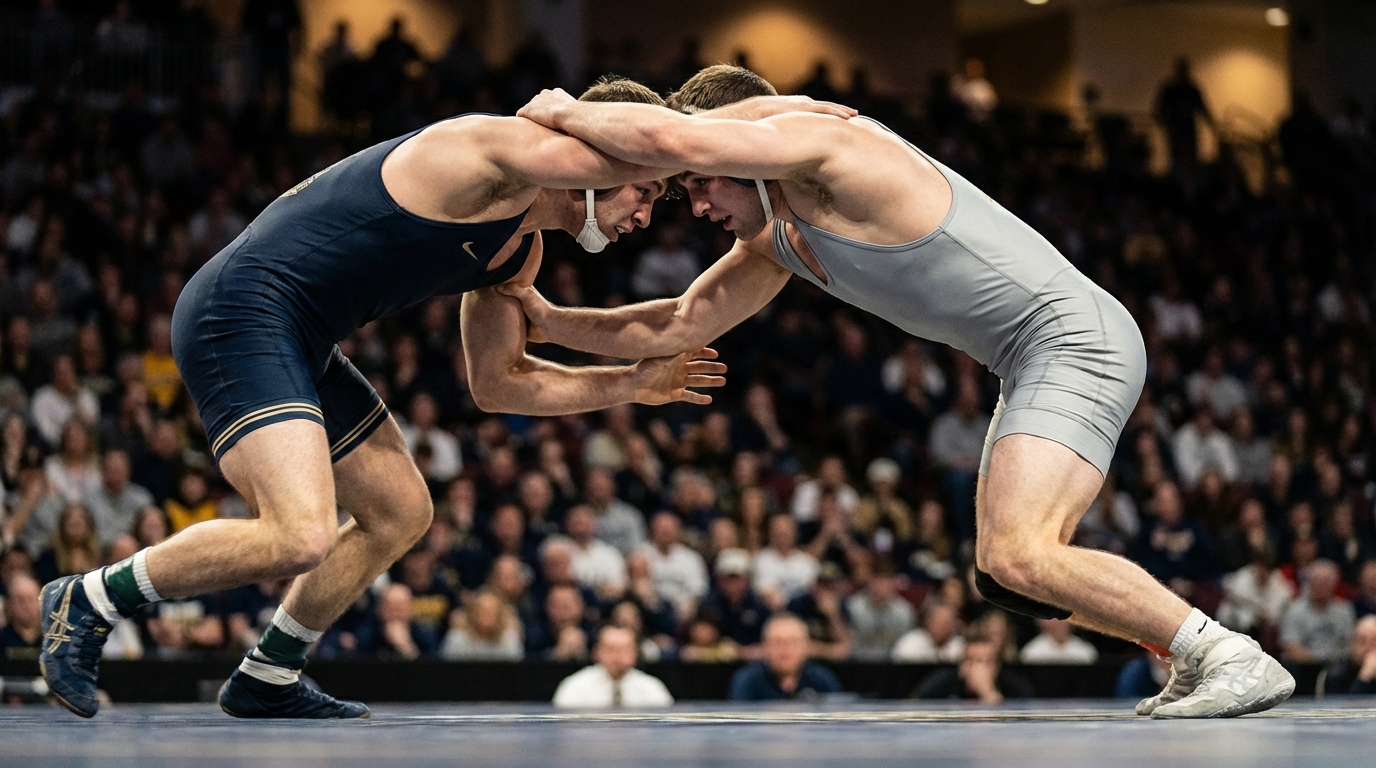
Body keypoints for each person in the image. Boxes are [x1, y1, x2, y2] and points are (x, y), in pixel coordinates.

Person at [506, 64, 1293, 717]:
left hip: (1071, 338)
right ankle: (1185, 651)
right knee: (1000, 569)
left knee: (1020, 553)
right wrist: (544, 319)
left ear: (749, 140)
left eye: (702, 182)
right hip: (1031, 355)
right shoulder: (777, 231)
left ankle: (1225, 653)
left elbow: (669, 134)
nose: (699, 204)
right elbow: (676, 324)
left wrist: (563, 113)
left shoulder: (825, 148)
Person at [39, 77, 825, 719]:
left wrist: (628, 383)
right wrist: (581, 116)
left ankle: (268, 673)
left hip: (301, 334)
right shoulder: (490, 152)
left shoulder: (517, 252)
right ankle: (88, 598)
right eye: (644, 193)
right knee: (300, 533)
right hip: (238, 310)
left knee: (401, 511)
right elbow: (618, 139)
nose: (645, 215)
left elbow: (498, 385)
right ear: (604, 159)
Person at [551, 625, 673, 708]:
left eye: (623, 649)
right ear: (597, 652)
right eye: (610, 649)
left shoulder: (652, 688)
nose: (617, 656)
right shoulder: (574, 687)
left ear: (635, 653)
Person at [727, 614, 842, 701]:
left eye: (793, 642)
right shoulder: (747, 681)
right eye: (778, 642)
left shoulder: (822, 680)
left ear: (806, 647)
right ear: (765, 646)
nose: (786, 650)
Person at [913, 633, 1035, 703]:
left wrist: (987, 692)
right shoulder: (942, 680)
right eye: (973, 661)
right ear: (962, 665)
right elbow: (914, 705)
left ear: (997, 666)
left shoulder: (1013, 684)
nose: (979, 668)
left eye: (987, 661)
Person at [1019, 618, 1099, 664]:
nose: (1058, 623)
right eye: (1052, 619)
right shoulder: (1031, 652)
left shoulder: (1086, 651)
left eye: (1062, 619)